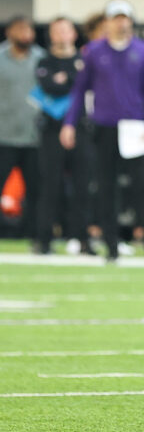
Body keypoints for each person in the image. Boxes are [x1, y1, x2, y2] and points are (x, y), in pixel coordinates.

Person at [61, 0, 144, 263]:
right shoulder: (95, 51)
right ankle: (112, 247)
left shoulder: (142, 50)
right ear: (107, 22)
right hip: (105, 126)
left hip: (135, 128)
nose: (121, 23)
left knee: (143, 188)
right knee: (107, 189)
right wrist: (70, 123)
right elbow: (80, 90)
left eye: (125, 18)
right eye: (116, 18)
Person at [33, 17, 89, 255]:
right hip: (52, 131)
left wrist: (66, 80)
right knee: (50, 185)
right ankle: (44, 239)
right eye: (57, 31)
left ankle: (81, 238)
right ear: (51, 35)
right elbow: (49, 87)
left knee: (83, 185)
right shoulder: (44, 60)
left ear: (74, 34)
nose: (62, 35)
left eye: (66, 29)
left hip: (82, 129)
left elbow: (83, 86)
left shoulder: (85, 60)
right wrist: (69, 81)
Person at [0, 15, 44, 251]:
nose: (25, 34)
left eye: (28, 30)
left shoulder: (42, 59)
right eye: (20, 29)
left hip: (33, 136)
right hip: (3, 135)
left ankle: (36, 236)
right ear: (9, 32)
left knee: (36, 191)